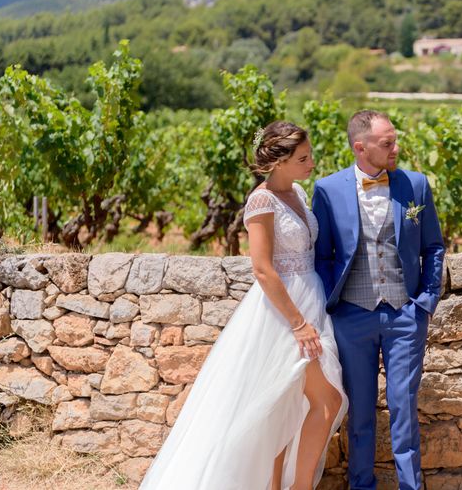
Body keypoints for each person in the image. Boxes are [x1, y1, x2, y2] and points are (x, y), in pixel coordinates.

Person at [140, 121, 347, 490]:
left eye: (310, 154)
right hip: (283, 311)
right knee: (327, 400)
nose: (312, 161)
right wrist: (298, 324)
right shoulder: (261, 200)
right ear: (279, 161)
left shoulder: (298, 192)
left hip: (310, 297)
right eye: (303, 157)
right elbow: (263, 269)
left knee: (284, 408)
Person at [312, 110, 445, 490]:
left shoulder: (415, 185)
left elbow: (433, 247)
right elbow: (321, 257)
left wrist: (425, 302)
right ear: (360, 147)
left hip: (406, 315)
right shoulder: (328, 189)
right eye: (387, 143)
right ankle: (361, 485)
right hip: (353, 318)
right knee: (360, 415)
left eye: (395, 139)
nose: (395, 147)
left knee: (404, 409)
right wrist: (334, 305)